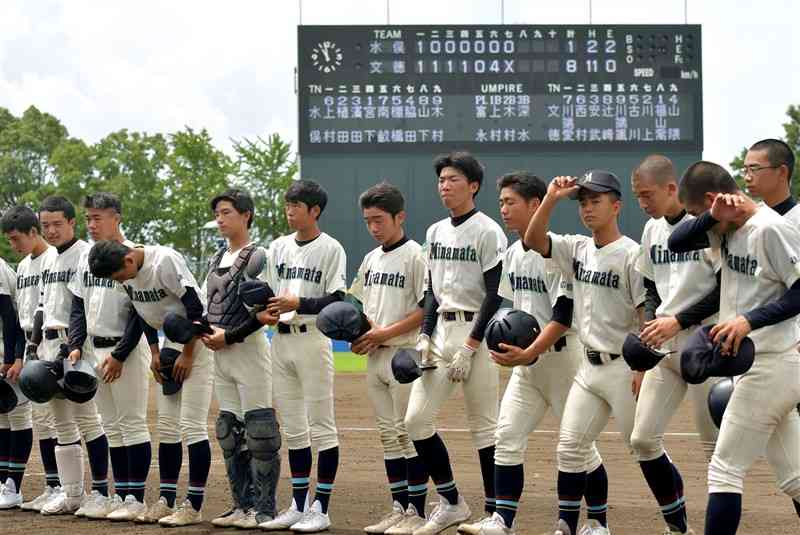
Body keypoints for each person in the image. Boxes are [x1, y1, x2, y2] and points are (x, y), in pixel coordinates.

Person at [456, 172, 603, 535]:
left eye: (511, 202)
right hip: (528, 366)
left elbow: (563, 315)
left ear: (535, 205)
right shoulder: (511, 253)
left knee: (581, 449)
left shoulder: (555, 255)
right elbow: (515, 308)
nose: (503, 209)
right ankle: (502, 520)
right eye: (502, 202)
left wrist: (530, 352)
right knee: (507, 437)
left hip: (563, 363)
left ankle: (598, 522)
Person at [668, 161, 800, 535]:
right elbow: (676, 242)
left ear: (712, 199)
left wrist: (749, 320)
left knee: (724, 468)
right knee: (794, 477)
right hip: (755, 366)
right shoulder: (721, 226)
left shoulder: (771, 229)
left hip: (773, 364)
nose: (698, 221)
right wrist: (710, 217)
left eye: (698, 211)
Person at [524, 171, 645, 535]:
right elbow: (532, 240)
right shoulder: (576, 248)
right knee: (570, 448)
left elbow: (645, 313)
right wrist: (551, 198)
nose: (588, 208)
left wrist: (644, 366)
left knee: (644, 447)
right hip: (588, 368)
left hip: (624, 366)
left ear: (617, 205)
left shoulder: (633, 254)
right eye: (584, 202)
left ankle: (677, 522)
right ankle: (570, 526)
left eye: (596, 201)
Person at [404, 151, 506, 535]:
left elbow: (494, 293)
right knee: (415, 421)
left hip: (474, 333)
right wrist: (426, 333)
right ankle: (451, 502)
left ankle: (495, 514)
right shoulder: (434, 232)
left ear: (473, 186)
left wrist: (471, 345)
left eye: (454, 180)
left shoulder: (487, 230)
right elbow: (430, 290)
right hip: (442, 331)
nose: (445, 186)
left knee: (484, 428)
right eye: (442, 180)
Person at [87, 238, 213, 527]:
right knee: (168, 426)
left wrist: (189, 355)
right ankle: (167, 501)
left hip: (196, 341)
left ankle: (194, 505)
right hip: (169, 345)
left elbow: (196, 310)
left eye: (120, 276)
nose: (120, 281)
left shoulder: (164, 261)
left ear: (129, 260)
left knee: (191, 425)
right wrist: (155, 352)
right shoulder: (125, 274)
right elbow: (144, 315)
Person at [630, 155, 722, 534]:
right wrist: (652, 322)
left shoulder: (706, 227)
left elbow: (725, 288)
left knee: (713, 449)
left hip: (705, 342)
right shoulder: (651, 230)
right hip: (665, 344)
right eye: (637, 196)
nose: (642, 202)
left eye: (647, 194)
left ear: (672, 188)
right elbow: (651, 285)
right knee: (643, 439)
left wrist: (678, 320)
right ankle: (676, 525)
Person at [255, 180, 346, 533]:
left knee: (322, 426)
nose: (289, 210)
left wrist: (301, 304)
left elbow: (337, 298)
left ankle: (321, 508)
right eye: (287, 205)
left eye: (296, 205)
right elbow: (265, 295)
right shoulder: (277, 247)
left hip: (313, 338)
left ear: (315, 210)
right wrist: (264, 312)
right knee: (293, 428)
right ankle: (298, 504)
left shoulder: (330, 248)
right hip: (281, 339)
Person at [65, 192, 153, 520]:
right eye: (87, 218)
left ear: (116, 217)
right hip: (93, 350)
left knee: (132, 424)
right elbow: (77, 303)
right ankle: (120, 494)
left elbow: (141, 312)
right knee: (112, 426)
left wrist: (119, 354)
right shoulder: (85, 258)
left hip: (125, 351)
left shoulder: (133, 255)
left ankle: (136, 498)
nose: (90, 224)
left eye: (97, 217)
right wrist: (75, 343)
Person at [347, 182, 429, 534]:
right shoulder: (371, 258)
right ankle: (399, 507)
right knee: (388, 435)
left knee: (407, 433)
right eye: (368, 221)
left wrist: (385, 333)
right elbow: (359, 307)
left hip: (404, 355)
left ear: (400, 217)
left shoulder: (416, 255)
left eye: (379, 219)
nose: (373, 227)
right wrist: (358, 336)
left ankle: (418, 511)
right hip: (376, 356)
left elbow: (427, 309)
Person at [198, 189, 280, 529]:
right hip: (220, 353)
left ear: (246, 215)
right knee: (229, 432)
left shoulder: (258, 256)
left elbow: (267, 313)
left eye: (227, 212)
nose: (220, 219)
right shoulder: (216, 259)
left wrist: (228, 336)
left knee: (260, 433)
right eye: (217, 213)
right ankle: (240, 505)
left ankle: (264, 509)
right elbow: (208, 307)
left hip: (248, 350)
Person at [37, 196, 109, 516]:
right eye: (45, 226)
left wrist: (73, 347)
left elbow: (82, 307)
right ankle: (72, 494)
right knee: (61, 422)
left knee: (88, 420)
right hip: (49, 345)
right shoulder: (50, 259)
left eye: (56, 224)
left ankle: (102, 492)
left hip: (76, 345)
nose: (51, 231)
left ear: (71, 222)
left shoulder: (85, 254)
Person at [1, 206, 60, 510]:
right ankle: (51, 485)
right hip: (28, 347)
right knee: (43, 420)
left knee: (57, 421)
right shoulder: (23, 265)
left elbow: (41, 310)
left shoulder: (53, 259)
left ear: (33, 231)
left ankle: (61, 486)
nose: (13, 245)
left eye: (15, 239)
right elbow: (21, 313)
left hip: (46, 347)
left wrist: (23, 355)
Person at [0, 253, 31, 509]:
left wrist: (12, 356)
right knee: (1, 417)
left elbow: (9, 316)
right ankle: (3, 481)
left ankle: (14, 484)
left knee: (18, 416)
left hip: (8, 349)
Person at [741, 138, 798, 223]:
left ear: (782, 172)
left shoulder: (796, 220)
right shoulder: (747, 219)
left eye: (754, 169)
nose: (747, 178)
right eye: (745, 170)